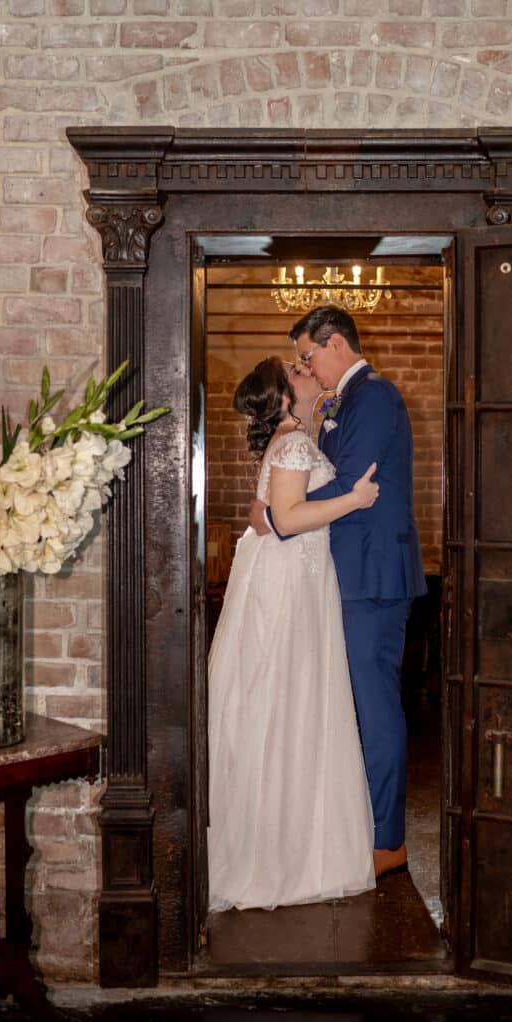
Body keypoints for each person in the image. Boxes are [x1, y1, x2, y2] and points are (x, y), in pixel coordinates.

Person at [252, 307, 426, 880]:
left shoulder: (373, 396)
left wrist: (278, 514)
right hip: (343, 573)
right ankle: (357, 827)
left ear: (332, 344)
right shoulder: (339, 405)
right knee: (348, 705)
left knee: (375, 708)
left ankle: (388, 841)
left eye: (307, 355)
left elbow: (352, 485)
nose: (307, 366)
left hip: (371, 576)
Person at [207, 357, 379, 911]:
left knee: (287, 701)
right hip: (290, 585)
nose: (307, 371)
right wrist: (353, 499)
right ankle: (282, 856)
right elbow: (284, 518)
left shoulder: (293, 440)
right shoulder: (293, 444)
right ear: (284, 395)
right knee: (288, 699)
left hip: (295, 578)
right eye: (296, 371)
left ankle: (290, 844)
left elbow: (268, 512)